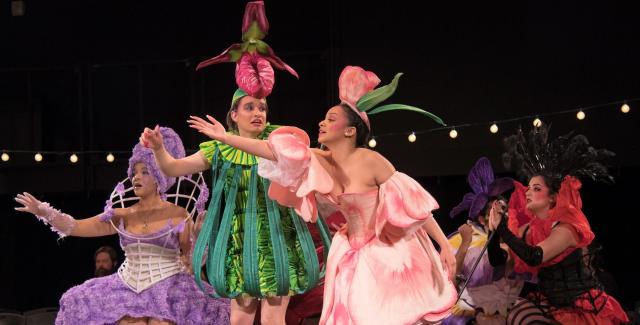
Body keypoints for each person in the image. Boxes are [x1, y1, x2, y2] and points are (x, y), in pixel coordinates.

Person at [187, 65, 458, 325]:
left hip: (384, 250)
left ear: (350, 131)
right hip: (351, 252)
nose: (321, 122)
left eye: (331, 119)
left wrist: (444, 245)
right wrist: (225, 139)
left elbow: (415, 207)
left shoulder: (371, 161)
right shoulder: (320, 159)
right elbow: (272, 151)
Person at [141, 90, 329, 325]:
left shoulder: (280, 142)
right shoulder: (220, 147)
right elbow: (174, 168)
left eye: (262, 108)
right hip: (239, 243)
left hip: (277, 240)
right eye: (249, 107)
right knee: (240, 318)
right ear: (234, 114)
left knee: (273, 318)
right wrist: (158, 149)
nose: (258, 113)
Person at [15, 127, 230, 325]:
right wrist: (45, 211)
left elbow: (190, 261)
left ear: (159, 178)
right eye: (135, 172)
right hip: (127, 286)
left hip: (169, 287)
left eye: (145, 172)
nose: (136, 177)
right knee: (88, 305)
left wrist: (200, 237)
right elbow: (76, 226)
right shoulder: (120, 215)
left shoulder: (177, 214)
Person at [487, 125, 629, 324]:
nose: (527, 193)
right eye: (528, 188)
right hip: (551, 307)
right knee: (515, 314)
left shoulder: (566, 228)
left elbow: (535, 256)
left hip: (581, 310)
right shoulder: (529, 230)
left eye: (536, 189)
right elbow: (497, 260)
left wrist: (503, 228)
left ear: (552, 197)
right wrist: (493, 232)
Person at [444, 157, 523, 325]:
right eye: (496, 211)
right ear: (482, 219)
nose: (505, 214)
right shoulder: (465, 242)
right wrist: (465, 244)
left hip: (497, 313)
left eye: (505, 209)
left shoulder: (513, 242)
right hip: (464, 313)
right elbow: (450, 281)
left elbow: (503, 270)